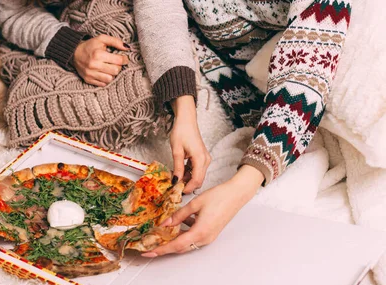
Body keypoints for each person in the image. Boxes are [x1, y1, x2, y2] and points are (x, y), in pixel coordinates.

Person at [134, 0, 352, 257]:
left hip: (319, 59)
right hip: (223, 59)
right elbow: (159, 9)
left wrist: (241, 186)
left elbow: (307, 66)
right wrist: (184, 110)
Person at [0, 0, 173, 150]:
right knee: (44, 104)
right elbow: (12, 13)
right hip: (57, 27)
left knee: (148, 85)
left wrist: (180, 95)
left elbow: (158, 11)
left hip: (128, 13)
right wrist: (72, 48)